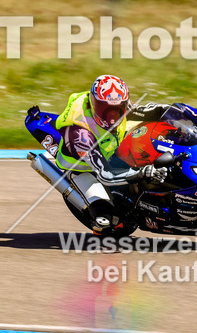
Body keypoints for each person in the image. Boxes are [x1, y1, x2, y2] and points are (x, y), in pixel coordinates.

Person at [55, 75, 170, 231]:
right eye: (105, 110)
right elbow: (105, 173)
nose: (112, 117)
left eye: (118, 109)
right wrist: (143, 172)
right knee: (105, 219)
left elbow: (148, 111)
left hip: (109, 146)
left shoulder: (116, 103)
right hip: (84, 166)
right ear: (93, 104)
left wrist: (185, 113)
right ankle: (97, 211)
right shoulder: (80, 134)